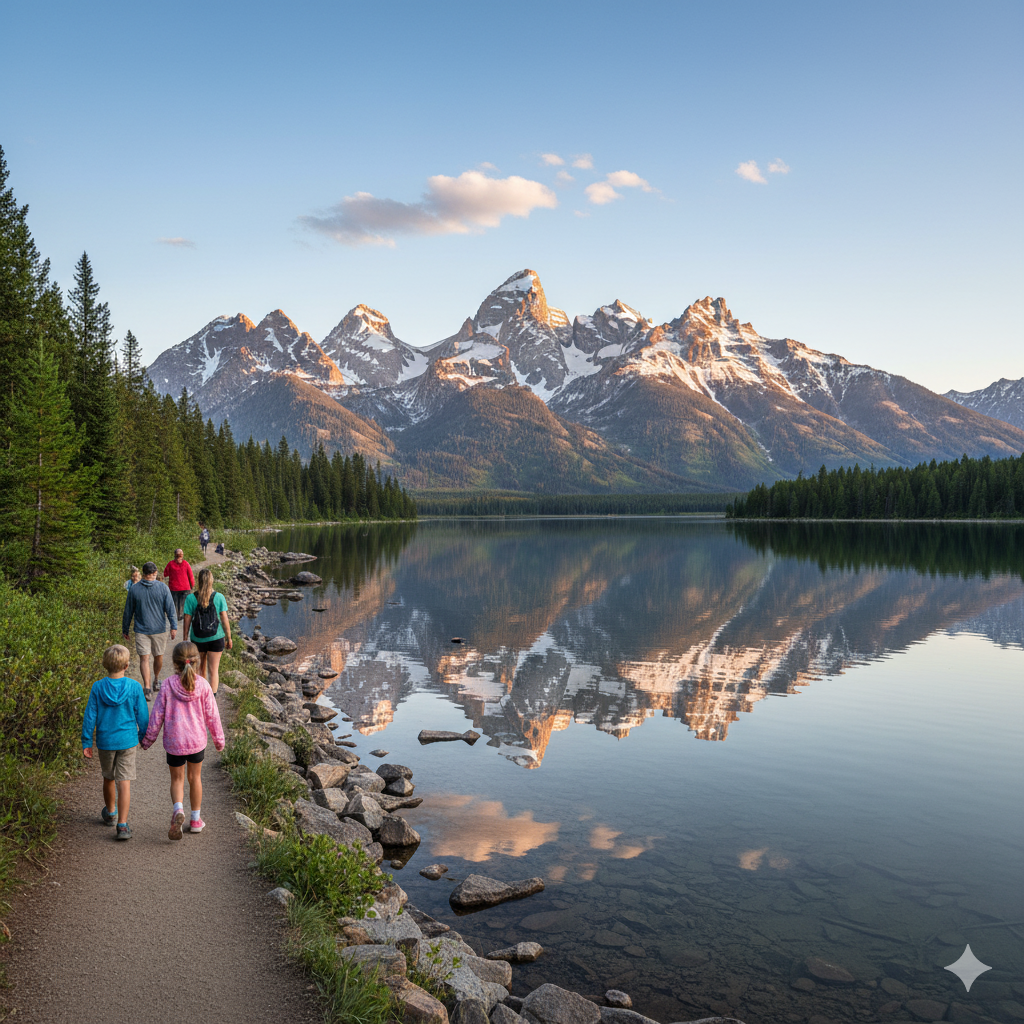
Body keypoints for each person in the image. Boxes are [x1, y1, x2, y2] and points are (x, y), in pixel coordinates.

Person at [141, 641, 225, 840]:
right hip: (196, 742)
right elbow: (213, 716)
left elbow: (157, 716)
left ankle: (178, 810)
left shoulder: (168, 685)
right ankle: (196, 820)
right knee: (195, 778)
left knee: (177, 779)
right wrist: (219, 741)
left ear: (175, 664)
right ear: (196, 663)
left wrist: (147, 740)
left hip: (175, 742)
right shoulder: (204, 685)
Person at [81, 645, 149, 841]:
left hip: (105, 740)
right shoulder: (135, 686)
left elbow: (90, 716)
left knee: (108, 778)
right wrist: (144, 736)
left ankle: (110, 812)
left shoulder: (98, 687)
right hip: (128, 740)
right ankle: (122, 825)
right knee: (124, 782)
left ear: (105, 665)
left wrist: (87, 741)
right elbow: (142, 715)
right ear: (127, 665)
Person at [122, 561, 177, 700]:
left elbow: (128, 611)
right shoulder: (163, 588)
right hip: (159, 629)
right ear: (154, 573)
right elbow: (170, 608)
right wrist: (173, 626)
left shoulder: (134, 589)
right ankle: (153, 682)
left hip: (141, 630)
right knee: (158, 656)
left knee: (144, 658)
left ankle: (148, 687)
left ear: (143, 573)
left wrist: (125, 628)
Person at [182, 568, 232, 694]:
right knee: (213, 671)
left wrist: (185, 638)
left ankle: (200, 697)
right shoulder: (219, 597)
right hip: (216, 638)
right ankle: (212, 700)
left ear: (198, 581)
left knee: (199, 670)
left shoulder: (191, 598)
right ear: (211, 581)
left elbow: (187, 620)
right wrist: (229, 638)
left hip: (197, 639)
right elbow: (224, 619)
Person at [163, 548, 195, 621]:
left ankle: (176, 616)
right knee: (183, 602)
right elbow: (190, 576)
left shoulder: (170, 564)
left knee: (175, 602)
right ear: (182, 555)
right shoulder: (186, 564)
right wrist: (192, 585)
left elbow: (165, 574)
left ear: (175, 555)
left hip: (174, 587)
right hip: (185, 587)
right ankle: (182, 615)